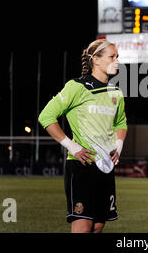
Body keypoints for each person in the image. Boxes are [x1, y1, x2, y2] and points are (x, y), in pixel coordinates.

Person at [38, 39, 127, 233]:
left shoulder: (116, 93)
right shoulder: (77, 87)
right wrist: (73, 147)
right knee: (83, 225)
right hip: (82, 166)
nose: (117, 61)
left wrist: (118, 147)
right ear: (96, 60)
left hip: (105, 167)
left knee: (98, 226)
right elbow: (46, 116)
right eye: (112, 57)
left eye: (117, 57)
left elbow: (120, 123)